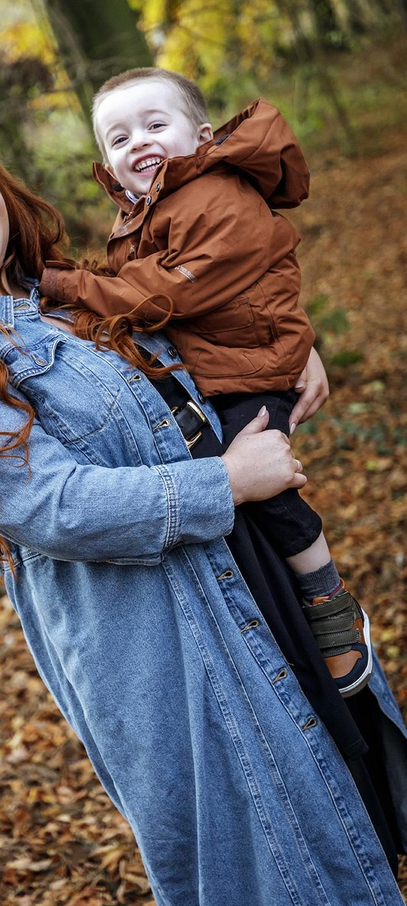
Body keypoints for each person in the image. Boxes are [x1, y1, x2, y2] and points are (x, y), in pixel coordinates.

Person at [0, 116, 407, 906]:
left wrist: (289, 347)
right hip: (163, 648)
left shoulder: (65, 297)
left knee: (343, 808)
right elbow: (47, 503)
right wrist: (227, 484)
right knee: (272, 862)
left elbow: (210, 321)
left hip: (250, 584)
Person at [38, 68, 370, 696]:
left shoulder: (216, 195)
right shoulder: (149, 210)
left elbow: (162, 294)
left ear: (203, 135)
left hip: (256, 362)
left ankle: (331, 605)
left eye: (154, 125)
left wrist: (67, 285)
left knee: (261, 482)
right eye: (117, 137)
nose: (136, 142)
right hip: (222, 361)